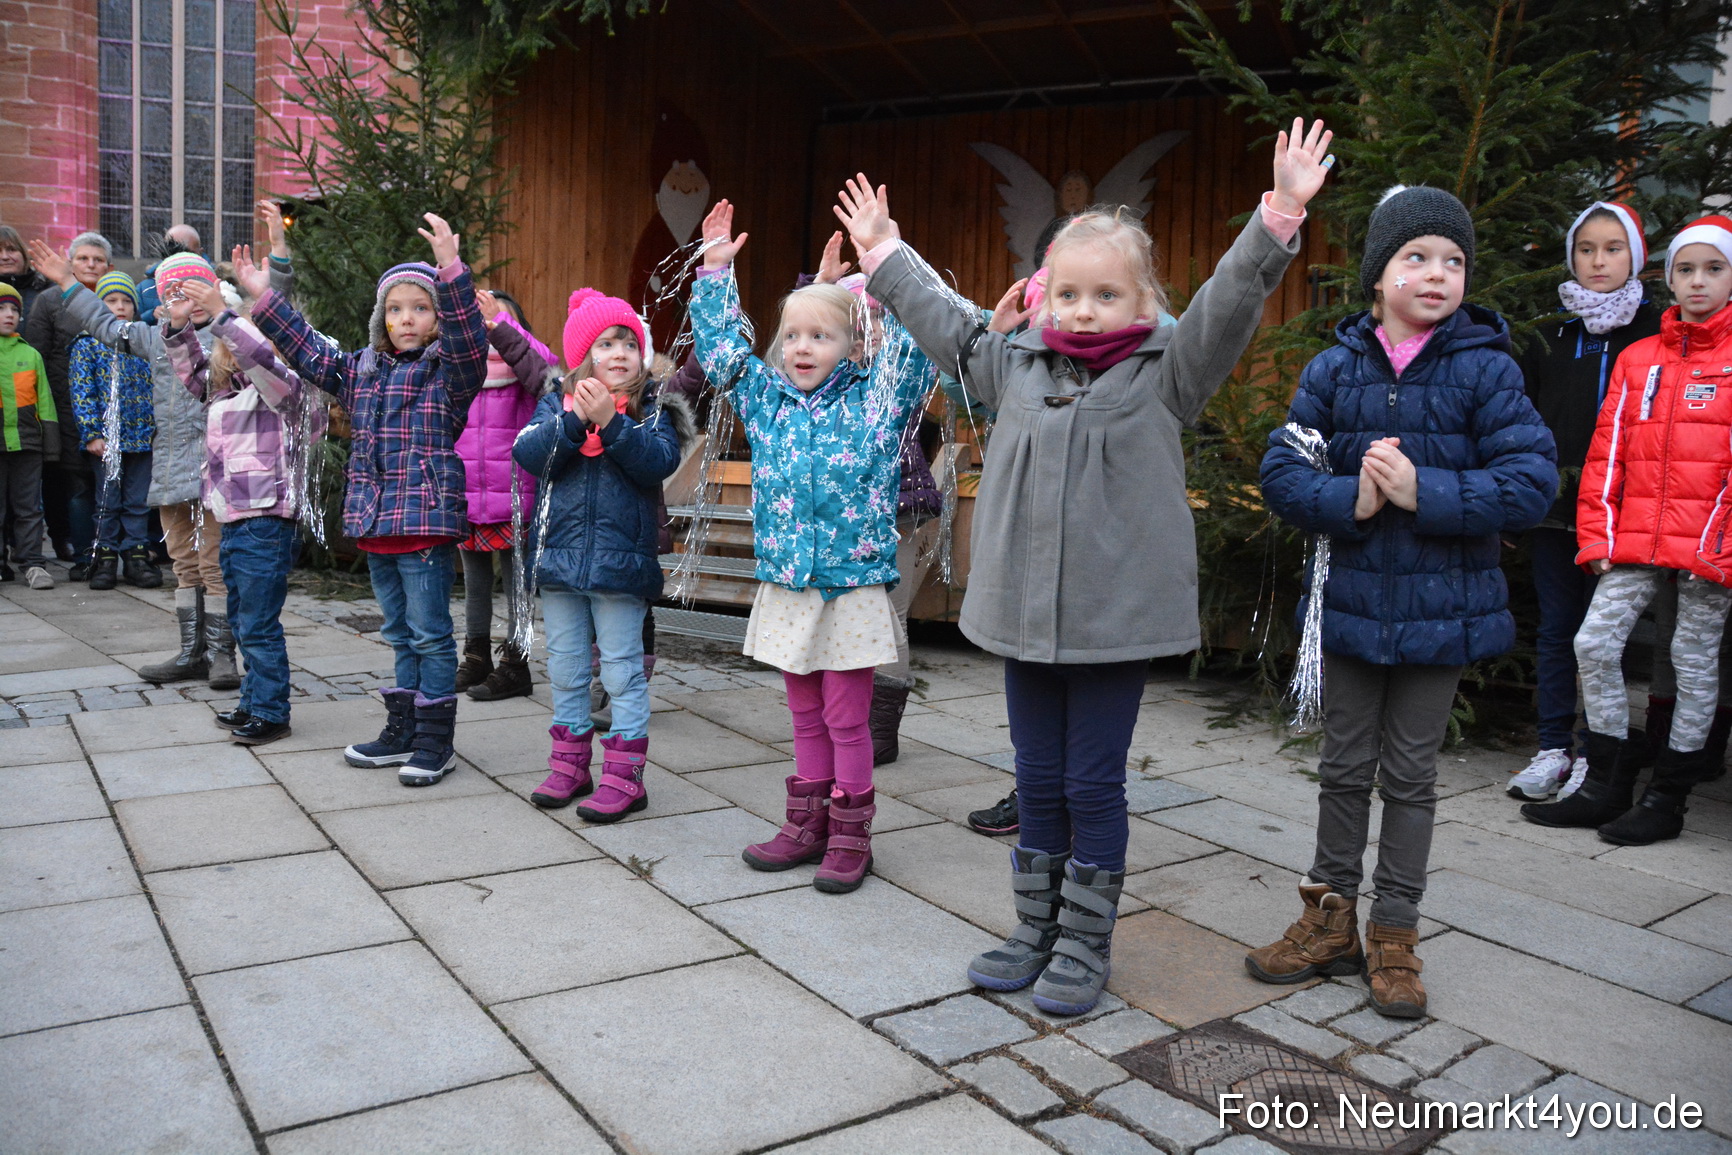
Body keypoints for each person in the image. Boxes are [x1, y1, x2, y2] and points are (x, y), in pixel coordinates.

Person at [841, 119, 1336, 1015]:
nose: (1081, 309)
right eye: (1067, 292)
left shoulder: (1169, 370)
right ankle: (1034, 926)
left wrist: (1279, 215)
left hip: (1115, 623)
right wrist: (885, 254)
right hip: (1024, 617)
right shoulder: (1016, 361)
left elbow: (1228, 300)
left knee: (1090, 781)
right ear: (1043, 294)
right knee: (1035, 779)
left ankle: (1083, 940)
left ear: (1143, 302)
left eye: (1105, 294)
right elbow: (948, 328)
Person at [1252, 184, 1557, 1018]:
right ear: (1378, 274)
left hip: (1442, 613)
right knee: (1345, 767)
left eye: (1453, 260)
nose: (1437, 273)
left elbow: (1531, 483)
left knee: (1411, 776)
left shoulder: (1485, 369)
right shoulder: (1334, 369)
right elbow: (1283, 471)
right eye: (1416, 257)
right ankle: (1329, 918)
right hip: (1351, 606)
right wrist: (1346, 499)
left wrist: (1428, 490)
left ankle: (1394, 932)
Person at [692, 198, 936, 895]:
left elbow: (916, 352)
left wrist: (885, 260)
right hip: (789, 581)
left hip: (851, 584)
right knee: (802, 709)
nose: (801, 346)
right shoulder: (766, 398)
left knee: (845, 715)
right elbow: (724, 356)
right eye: (792, 334)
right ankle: (807, 823)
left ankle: (851, 833)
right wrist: (715, 272)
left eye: (820, 337)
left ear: (852, 346)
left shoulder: (878, 399)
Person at [249, 214, 487, 787]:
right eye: (397, 308)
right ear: (383, 318)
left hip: (424, 524)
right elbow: (308, 352)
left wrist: (451, 271)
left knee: (430, 633)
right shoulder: (361, 370)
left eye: (421, 308)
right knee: (399, 632)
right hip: (377, 520)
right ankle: (403, 729)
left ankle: (436, 741)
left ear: (436, 319)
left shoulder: (448, 372)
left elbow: (469, 337)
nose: (408, 318)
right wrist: (264, 298)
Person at [1521, 215, 1732, 845]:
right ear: (1667, 277)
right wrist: (1599, 536)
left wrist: (1718, 542)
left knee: (1692, 664)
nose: (1698, 281)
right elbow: (1606, 454)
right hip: (1634, 539)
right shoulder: (1642, 358)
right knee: (1593, 643)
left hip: (1707, 550)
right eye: (1685, 269)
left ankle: (1668, 798)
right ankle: (1605, 780)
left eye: (1714, 268)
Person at [1506, 202, 1662, 801]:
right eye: (1587, 249)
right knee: (1557, 630)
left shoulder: (1655, 333)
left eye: (1613, 249)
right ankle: (1553, 749)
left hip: (1628, 515)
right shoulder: (1552, 336)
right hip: (1555, 513)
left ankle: (1604, 757)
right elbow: (1520, 421)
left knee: (1608, 638)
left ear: (1637, 259)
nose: (1599, 261)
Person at [512, 289, 681, 819]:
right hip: (561, 563)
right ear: (583, 357)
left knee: (622, 673)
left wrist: (612, 423)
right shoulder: (552, 404)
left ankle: (626, 778)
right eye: (606, 343)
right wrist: (574, 422)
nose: (619, 353)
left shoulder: (652, 409)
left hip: (620, 568)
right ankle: (569, 765)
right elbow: (530, 453)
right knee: (564, 668)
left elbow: (657, 462)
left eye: (629, 343)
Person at [30, 240, 229, 687]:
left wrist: (275, 262)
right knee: (183, 562)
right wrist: (65, 281)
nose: (187, 300)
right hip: (169, 470)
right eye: (175, 292)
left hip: (216, 472)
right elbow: (104, 324)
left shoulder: (228, 336)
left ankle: (221, 655)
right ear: (160, 300)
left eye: (196, 290)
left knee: (215, 562)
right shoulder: (151, 337)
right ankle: (190, 652)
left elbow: (270, 327)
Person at [164, 246, 325, 746]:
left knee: (257, 622)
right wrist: (178, 326)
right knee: (241, 617)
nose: (231, 347)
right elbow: (193, 373)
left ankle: (272, 712)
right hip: (234, 519)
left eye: (241, 338)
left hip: (266, 521)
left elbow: (258, 360)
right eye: (224, 343)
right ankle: (255, 700)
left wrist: (222, 315)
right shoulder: (224, 392)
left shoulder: (282, 390)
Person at [454, 288, 557, 701]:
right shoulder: (466, 373)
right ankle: (476, 657)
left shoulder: (527, 374)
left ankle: (517, 664)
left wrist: (505, 326)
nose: (491, 326)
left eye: (500, 320)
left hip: (516, 497)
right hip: (468, 497)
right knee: (475, 583)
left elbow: (547, 364)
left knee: (517, 583)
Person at [25, 231, 111, 574]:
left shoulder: (117, 298)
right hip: (65, 408)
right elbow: (38, 356)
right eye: (83, 259)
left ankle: (112, 552)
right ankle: (81, 552)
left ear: (109, 266)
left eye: (98, 259)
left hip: (111, 412)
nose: (90, 265)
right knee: (75, 486)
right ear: (69, 262)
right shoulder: (48, 301)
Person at [67, 270, 159, 590]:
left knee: (137, 501)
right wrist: (92, 433)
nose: (120, 307)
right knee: (107, 501)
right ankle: (103, 558)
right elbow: (82, 391)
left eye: (126, 301)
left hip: (142, 438)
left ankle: (135, 556)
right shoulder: (87, 343)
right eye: (111, 301)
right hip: (107, 442)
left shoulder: (144, 340)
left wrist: (156, 430)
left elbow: (157, 388)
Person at [0, 282, 58, 589]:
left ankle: (33, 563)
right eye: (1, 308)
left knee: (29, 507)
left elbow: (45, 401)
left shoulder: (30, 354)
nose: (9, 315)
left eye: (14, 309)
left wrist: (49, 445)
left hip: (27, 443)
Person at [138, 223, 204, 324]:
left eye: (187, 253)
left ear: (200, 252)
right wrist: (151, 315)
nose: (180, 259)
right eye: (174, 252)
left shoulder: (216, 285)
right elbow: (129, 327)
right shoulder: (144, 289)